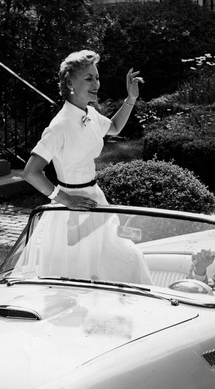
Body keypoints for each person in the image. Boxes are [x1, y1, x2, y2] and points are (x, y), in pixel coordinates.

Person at [19, 50, 152, 284]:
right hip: (71, 210)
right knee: (78, 274)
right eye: (89, 78)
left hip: (96, 200)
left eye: (97, 78)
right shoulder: (59, 126)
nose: (96, 84)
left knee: (122, 261)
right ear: (70, 83)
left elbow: (114, 127)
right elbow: (30, 172)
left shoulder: (89, 113)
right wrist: (65, 200)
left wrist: (130, 98)